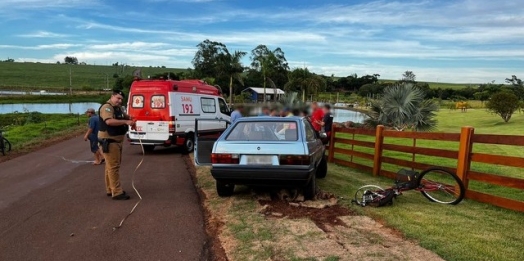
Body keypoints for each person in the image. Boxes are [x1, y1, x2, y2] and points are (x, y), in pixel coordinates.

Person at [98, 90, 136, 200]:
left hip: (116, 141)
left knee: (110, 166)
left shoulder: (118, 108)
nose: (119, 101)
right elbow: (109, 121)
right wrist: (125, 122)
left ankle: (111, 189)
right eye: (118, 98)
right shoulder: (107, 107)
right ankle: (117, 192)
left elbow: (126, 116)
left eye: (121, 99)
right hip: (109, 141)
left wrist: (131, 119)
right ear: (112, 96)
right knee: (113, 166)